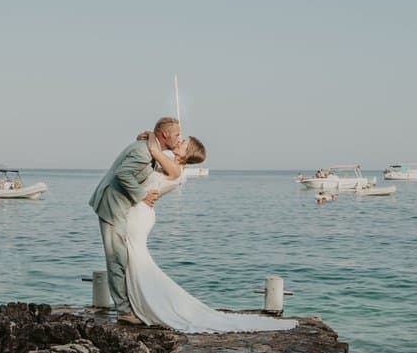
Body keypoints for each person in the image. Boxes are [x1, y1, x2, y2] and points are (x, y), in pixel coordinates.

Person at [123, 134, 298, 333]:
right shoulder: (173, 166)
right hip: (140, 212)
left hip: (140, 215)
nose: (178, 142)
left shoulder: (175, 169)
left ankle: (143, 305)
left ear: (187, 153)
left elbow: (154, 150)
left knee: (136, 259)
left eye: (183, 143)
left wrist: (154, 136)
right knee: (134, 259)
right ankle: (139, 303)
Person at [90, 117, 182, 325]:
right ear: (165, 134)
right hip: (112, 206)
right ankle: (123, 310)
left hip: (122, 206)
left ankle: (128, 304)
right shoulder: (143, 151)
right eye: (177, 134)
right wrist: (141, 194)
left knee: (122, 256)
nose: (179, 138)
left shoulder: (149, 148)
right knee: (116, 257)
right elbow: (124, 173)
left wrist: (149, 135)